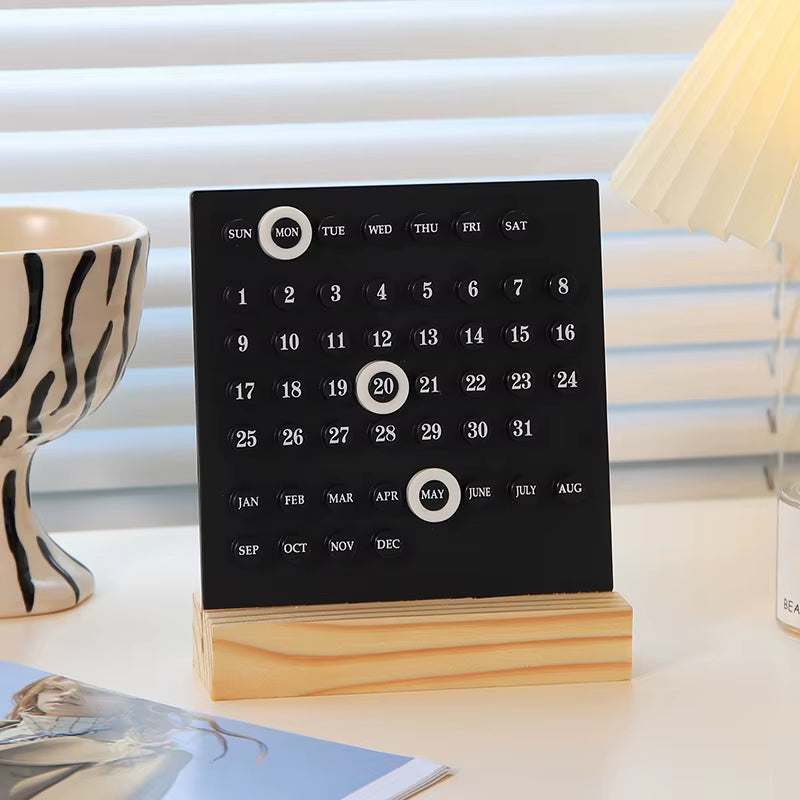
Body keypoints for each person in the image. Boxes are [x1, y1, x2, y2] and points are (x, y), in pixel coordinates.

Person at [0, 674, 266, 799]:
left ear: (129, 704)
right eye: (55, 687)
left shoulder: (142, 755)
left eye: (95, 691)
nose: (68, 694)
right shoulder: (7, 728)